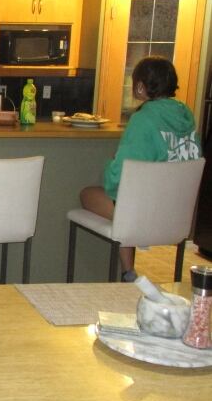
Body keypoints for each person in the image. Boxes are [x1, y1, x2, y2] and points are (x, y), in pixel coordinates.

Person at [79, 56, 201, 282]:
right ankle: (131, 272)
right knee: (130, 200)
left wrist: (111, 163)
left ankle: (128, 272)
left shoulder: (143, 120)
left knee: (89, 194)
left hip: (144, 213)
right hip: (178, 214)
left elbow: (118, 178)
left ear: (140, 87)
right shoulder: (188, 118)